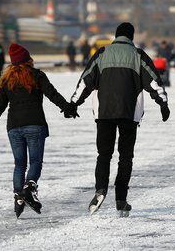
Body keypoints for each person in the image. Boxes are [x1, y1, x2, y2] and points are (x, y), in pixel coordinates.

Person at [69, 22, 169, 217]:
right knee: (126, 156)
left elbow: (86, 81)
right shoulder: (138, 55)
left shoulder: (102, 53)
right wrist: (163, 103)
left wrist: (74, 104)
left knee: (103, 154)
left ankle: (100, 189)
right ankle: (121, 199)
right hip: (129, 114)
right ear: (131, 37)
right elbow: (154, 82)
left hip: (104, 113)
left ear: (116, 36)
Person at [0, 43, 75, 218]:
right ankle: (29, 188)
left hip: (14, 127)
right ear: (28, 59)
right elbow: (52, 94)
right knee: (35, 161)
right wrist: (68, 108)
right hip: (35, 125)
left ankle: (19, 197)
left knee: (19, 164)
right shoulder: (37, 75)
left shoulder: (7, 80)